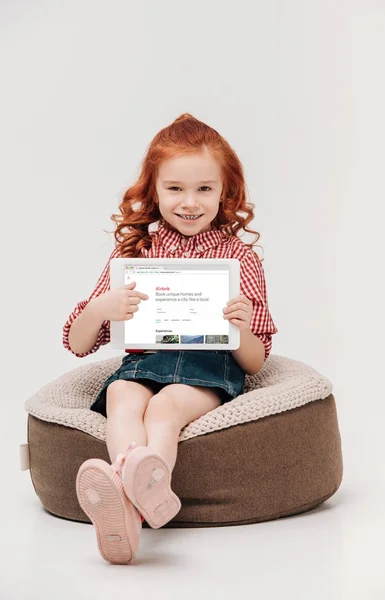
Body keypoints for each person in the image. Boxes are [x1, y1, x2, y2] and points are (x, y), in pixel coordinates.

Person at [63, 113, 278, 565]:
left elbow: (256, 360)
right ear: (153, 191)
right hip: (146, 360)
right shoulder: (136, 253)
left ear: (225, 192)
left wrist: (239, 328)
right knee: (122, 393)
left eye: (205, 188)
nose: (190, 202)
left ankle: (132, 499)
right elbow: (79, 342)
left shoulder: (238, 258)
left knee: (165, 407)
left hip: (208, 365)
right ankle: (131, 501)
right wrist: (101, 309)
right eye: (175, 188)